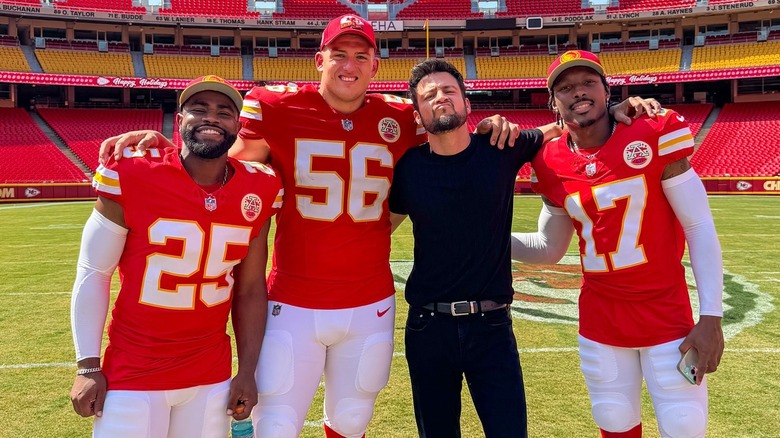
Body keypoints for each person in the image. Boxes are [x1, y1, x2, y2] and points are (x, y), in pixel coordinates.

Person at [98, 16, 657, 437]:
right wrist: (163, 148)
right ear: (319, 60)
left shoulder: (401, 121)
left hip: (372, 306)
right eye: (338, 53)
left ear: (374, 66)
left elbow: (494, 136)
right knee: (276, 422)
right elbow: (224, 164)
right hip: (293, 301)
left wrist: (622, 112)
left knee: (352, 417)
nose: (349, 64)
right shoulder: (275, 107)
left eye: (361, 54)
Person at [511, 50, 724, 438]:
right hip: (600, 320)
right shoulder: (549, 160)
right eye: (566, 87)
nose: (579, 92)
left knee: (684, 426)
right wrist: (484, 238)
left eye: (588, 82)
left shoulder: (652, 130)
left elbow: (699, 226)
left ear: (607, 89)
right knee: (612, 418)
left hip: (666, 316)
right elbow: (548, 247)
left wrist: (711, 318)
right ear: (552, 101)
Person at [69, 75, 284, 438]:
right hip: (134, 371)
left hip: (209, 374)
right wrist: (88, 366)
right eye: (198, 110)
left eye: (224, 112)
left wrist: (246, 371)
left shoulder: (260, 187)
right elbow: (94, 272)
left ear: (238, 125)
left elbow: (249, 289)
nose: (211, 118)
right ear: (178, 119)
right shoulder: (133, 172)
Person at [386, 59, 562, 438]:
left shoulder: (502, 147)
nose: (441, 98)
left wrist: (615, 109)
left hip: (492, 326)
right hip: (427, 326)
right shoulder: (408, 168)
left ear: (467, 103)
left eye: (449, 90)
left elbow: (560, 128)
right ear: (418, 115)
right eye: (429, 95)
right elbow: (377, 231)